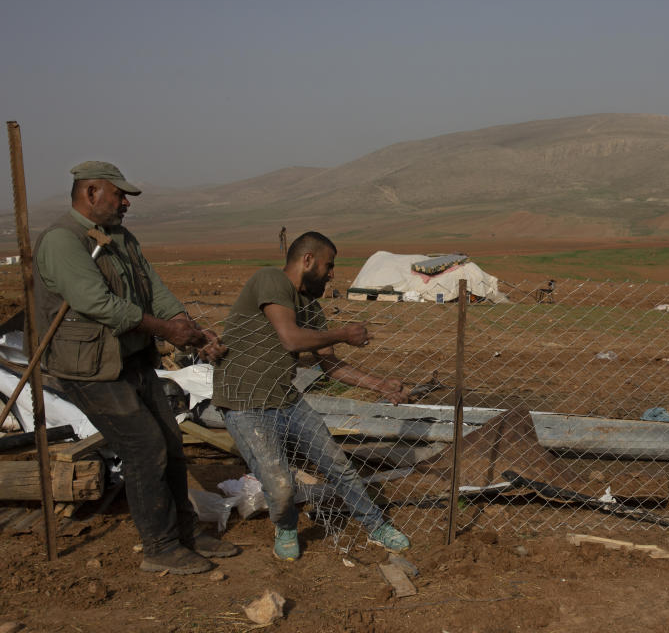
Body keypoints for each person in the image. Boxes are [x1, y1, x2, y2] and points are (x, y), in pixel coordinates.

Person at [34, 161, 238, 574]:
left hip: (132, 359)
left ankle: (183, 531)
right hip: (91, 368)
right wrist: (167, 329)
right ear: (91, 193)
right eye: (119, 194)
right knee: (145, 447)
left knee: (170, 442)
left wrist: (187, 327)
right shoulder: (62, 240)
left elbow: (153, 288)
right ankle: (159, 547)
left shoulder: (120, 238)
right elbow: (99, 305)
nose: (125, 202)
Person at [212, 231, 411, 561]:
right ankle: (287, 525)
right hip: (244, 403)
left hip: (286, 398)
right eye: (328, 265)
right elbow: (290, 339)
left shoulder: (311, 307)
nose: (332, 274)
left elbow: (330, 365)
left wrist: (381, 385)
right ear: (307, 261)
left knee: (338, 465)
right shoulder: (271, 279)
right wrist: (345, 333)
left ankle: (376, 525)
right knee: (279, 484)